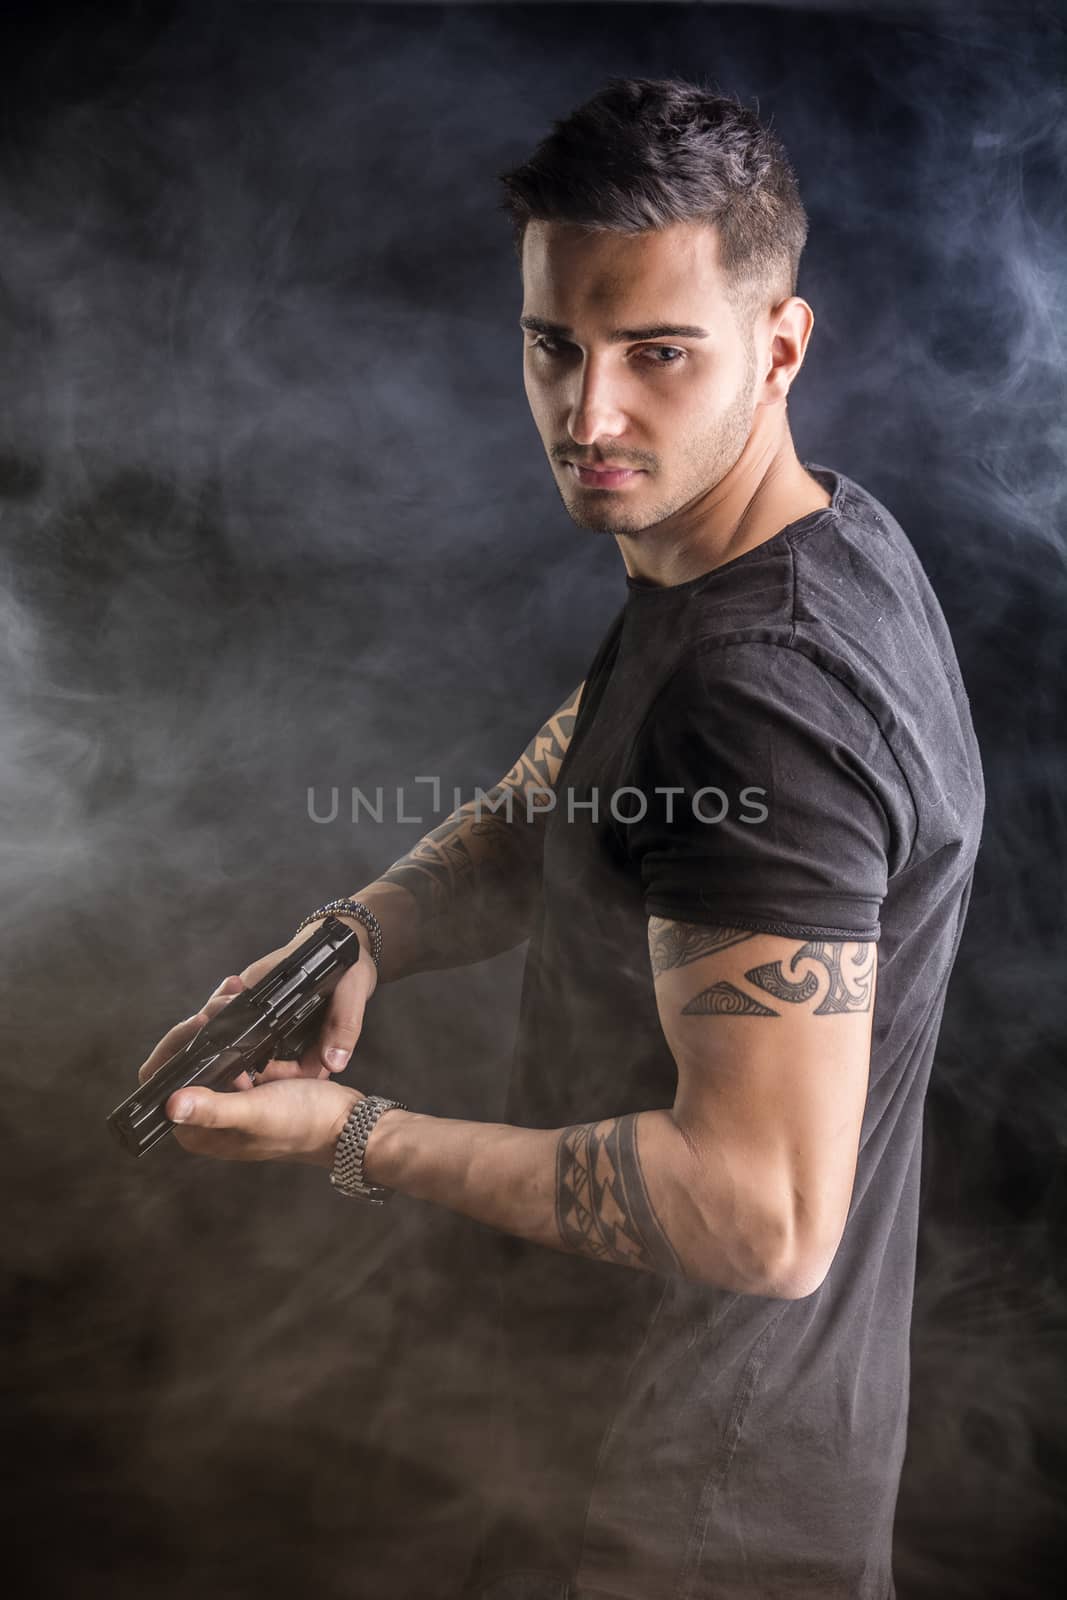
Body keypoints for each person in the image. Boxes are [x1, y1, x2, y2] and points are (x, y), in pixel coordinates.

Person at [138, 78, 985, 1600]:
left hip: (682, 1525)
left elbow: (764, 1216)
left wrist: (354, 1141)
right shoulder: (786, 546)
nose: (592, 416)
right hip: (612, 1458)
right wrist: (366, 932)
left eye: (660, 356)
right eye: (555, 349)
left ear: (781, 346)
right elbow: (592, 780)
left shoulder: (765, 695)